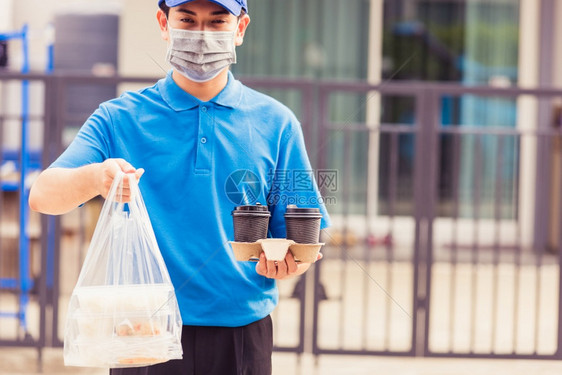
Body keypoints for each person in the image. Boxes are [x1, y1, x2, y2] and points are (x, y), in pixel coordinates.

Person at [29, 0, 330, 374]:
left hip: (240, 337)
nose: (201, 36)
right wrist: (94, 177)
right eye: (187, 20)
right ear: (163, 22)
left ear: (240, 29)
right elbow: (42, 195)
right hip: (143, 332)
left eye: (217, 22)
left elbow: (302, 241)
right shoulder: (117, 118)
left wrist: (289, 266)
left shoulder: (277, 124)